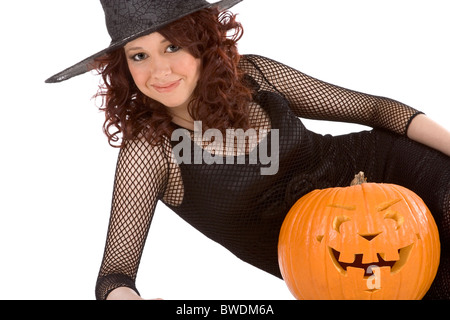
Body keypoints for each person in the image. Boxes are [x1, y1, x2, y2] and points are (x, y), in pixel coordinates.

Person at [46, 0, 450, 300]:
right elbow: (115, 275)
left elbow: (377, 109)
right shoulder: (150, 150)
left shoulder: (253, 75)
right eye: (139, 56)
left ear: (201, 43)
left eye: (172, 47)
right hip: (341, 261)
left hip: (393, 174)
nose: (160, 71)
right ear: (123, 66)